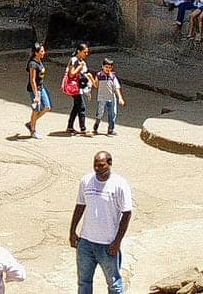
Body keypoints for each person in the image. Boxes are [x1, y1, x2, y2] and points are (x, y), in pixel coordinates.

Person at [68, 150, 132, 294]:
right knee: (84, 282)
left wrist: (117, 242)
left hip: (108, 245)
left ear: (110, 164)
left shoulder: (119, 185)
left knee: (114, 284)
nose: (97, 169)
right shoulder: (86, 181)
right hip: (85, 243)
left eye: (101, 165)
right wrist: (72, 232)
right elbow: (80, 206)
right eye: (95, 165)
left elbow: (127, 214)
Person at [64, 42, 93, 136]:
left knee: (76, 107)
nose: (86, 54)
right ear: (79, 51)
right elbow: (71, 74)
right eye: (85, 52)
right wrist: (80, 67)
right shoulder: (75, 60)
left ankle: (70, 126)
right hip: (74, 87)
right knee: (82, 107)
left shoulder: (80, 61)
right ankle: (83, 128)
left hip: (79, 87)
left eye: (87, 52)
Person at [91, 58, 125, 135]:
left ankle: (111, 129)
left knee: (113, 113)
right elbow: (96, 85)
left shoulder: (113, 76)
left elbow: (117, 87)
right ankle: (97, 123)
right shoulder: (99, 75)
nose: (108, 69)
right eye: (106, 67)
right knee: (100, 112)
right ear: (102, 66)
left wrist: (120, 98)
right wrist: (91, 79)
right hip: (102, 97)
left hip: (111, 98)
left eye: (110, 67)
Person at [26, 43, 51, 137]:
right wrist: (36, 94)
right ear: (36, 53)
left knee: (47, 107)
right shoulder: (33, 64)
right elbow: (32, 80)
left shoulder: (39, 61)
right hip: (34, 90)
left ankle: (31, 123)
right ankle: (33, 130)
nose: (44, 52)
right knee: (36, 109)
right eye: (41, 51)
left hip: (41, 87)